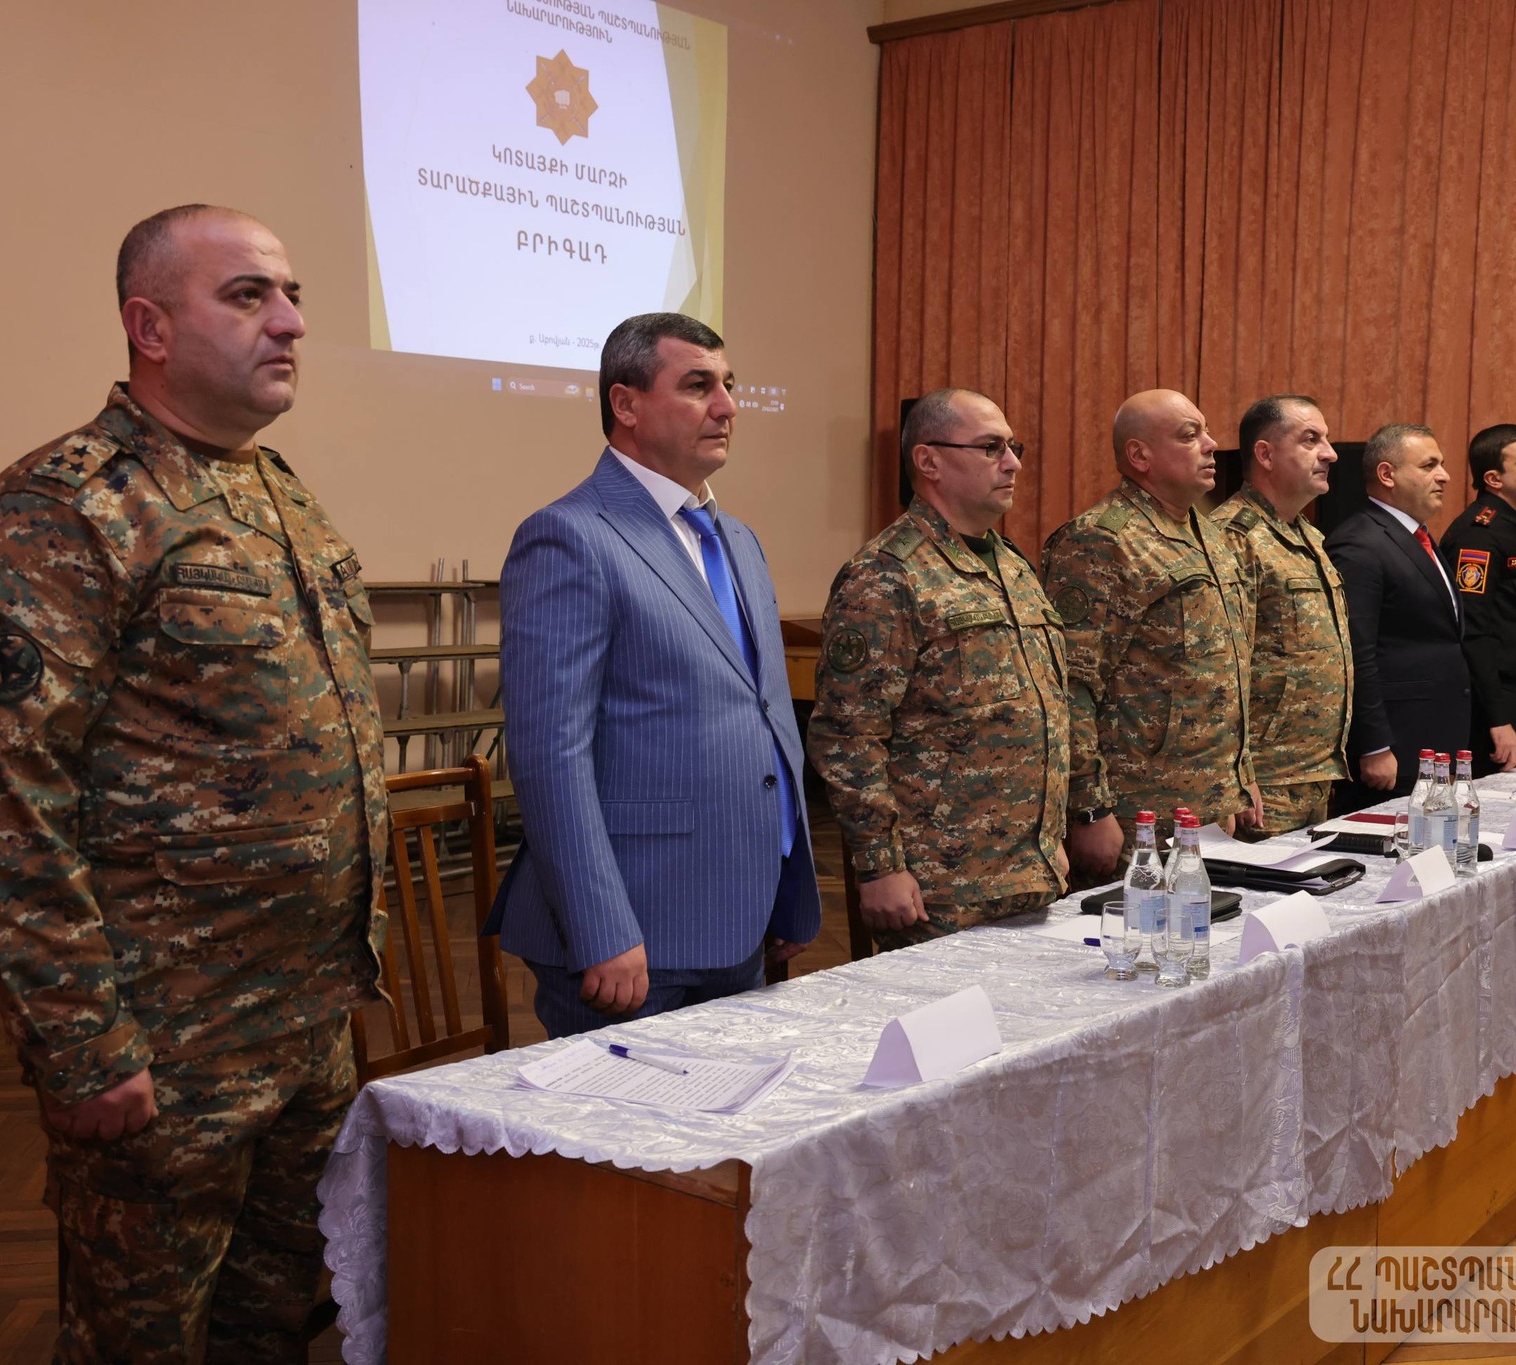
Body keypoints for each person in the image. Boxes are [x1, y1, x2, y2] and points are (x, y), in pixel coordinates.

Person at [0, 204, 384, 1363]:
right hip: (165, 1042)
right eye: (247, 296)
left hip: (301, 1027)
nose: (289, 322)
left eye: (291, 296)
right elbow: (7, 805)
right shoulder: (64, 509)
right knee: (138, 1340)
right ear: (149, 327)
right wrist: (81, 1045)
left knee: (272, 1326)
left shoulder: (279, 495)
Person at [490, 312, 819, 1037]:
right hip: (634, 935)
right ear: (626, 404)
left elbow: (763, 717)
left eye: (729, 385)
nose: (727, 407)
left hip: (742, 921)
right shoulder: (570, 536)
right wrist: (600, 927)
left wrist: (787, 888)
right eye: (698, 386)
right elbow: (550, 755)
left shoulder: (738, 539)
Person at [809, 388, 1070, 949]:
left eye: (1014, 446)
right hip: (939, 887)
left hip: (1029, 872)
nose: (1013, 462)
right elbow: (848, 734)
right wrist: (879, 865)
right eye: (991, 447)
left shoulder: (1012, 565)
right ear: (928, 461)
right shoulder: (886, 574)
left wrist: (1050, 838)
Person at [1040, 389, 1253, 879]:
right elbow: (1071, 685)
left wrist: (1240, 780)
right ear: (1139, 455)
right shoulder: (1101, 540)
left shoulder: (1208, 533)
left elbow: (1227, 671)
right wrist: (1089, 809)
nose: (1211, 444)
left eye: (1206, 431)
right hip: (1136, 812)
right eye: (1189, 435)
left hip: (1209, 804)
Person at [1216, 395, 1355, 834]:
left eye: (1326, 440)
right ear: (1265, 454)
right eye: (1311, 439)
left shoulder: (1308, 535)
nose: (1330, 454)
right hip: (1265, 781)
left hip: (1314, 772)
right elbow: (1222, 668)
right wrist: (1238, 774)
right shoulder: (1233, 536)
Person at [1323, 422, 1470, 803]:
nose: (1444, 476)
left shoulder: (1416, 537)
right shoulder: (1360, 542)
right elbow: (1356, 652)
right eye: (1429, 465)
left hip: (1434, 738)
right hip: (1394, 749)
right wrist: (1374, 744)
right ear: (1387, 474)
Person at [1437, 423, 1516, 775]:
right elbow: (1473, 632)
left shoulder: (1515, 529)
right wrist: (1498, 718)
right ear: (1494, 479)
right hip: (1496, 707)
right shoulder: (1478, 535)